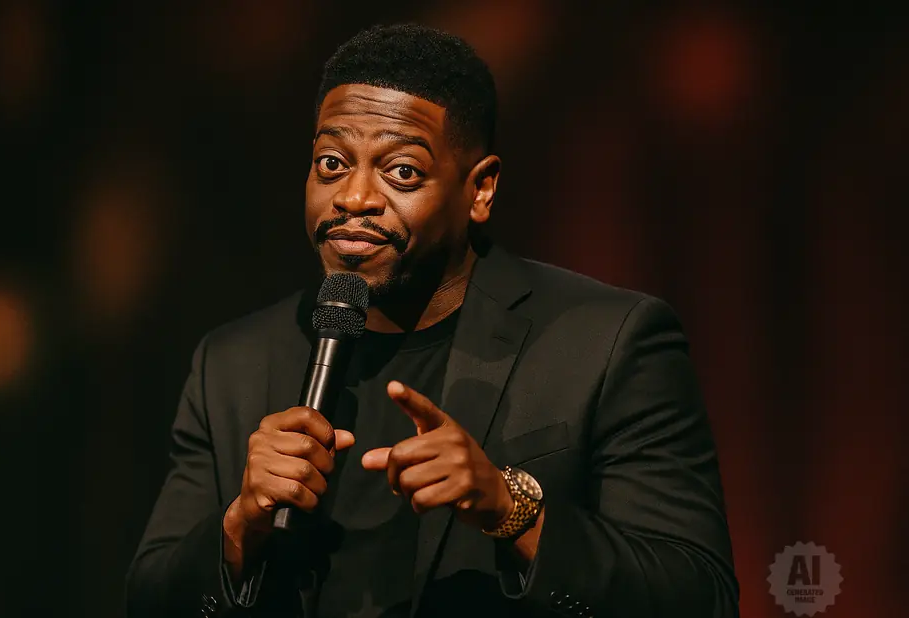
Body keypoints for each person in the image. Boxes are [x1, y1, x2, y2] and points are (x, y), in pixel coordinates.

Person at [126, 23, 739, 618]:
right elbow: (151, 600)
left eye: (401, 172)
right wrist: (242, 525)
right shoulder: (233, 363)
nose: (354, 198)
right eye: (331, 164)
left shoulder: (609, 341)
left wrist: (511, 508)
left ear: (480, 190)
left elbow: (699, 596)